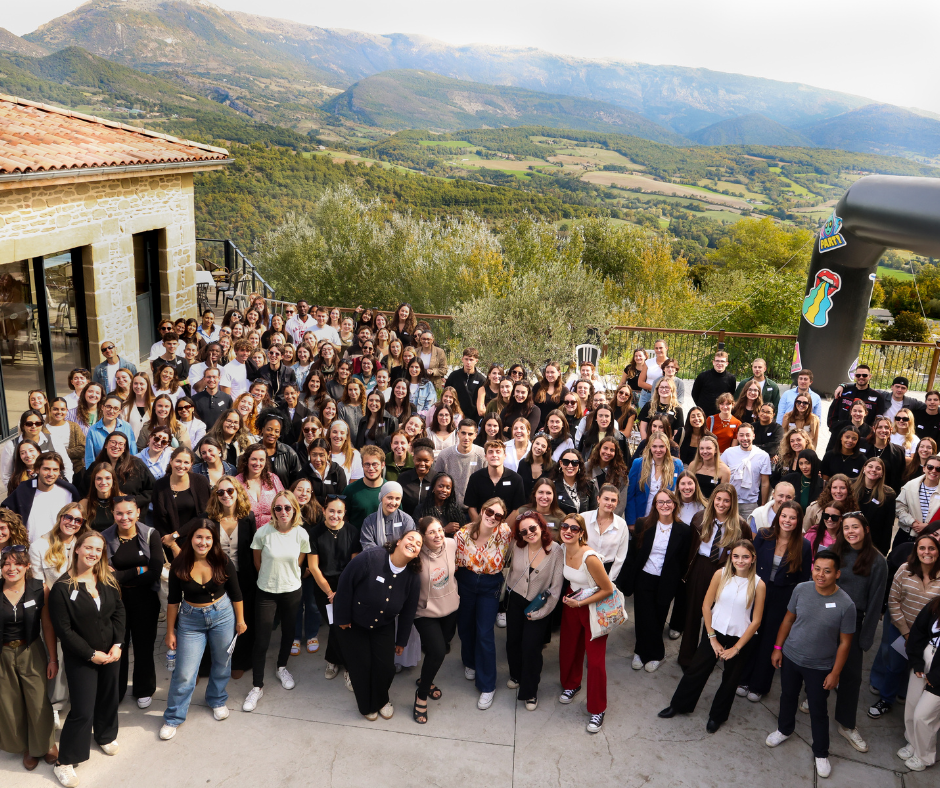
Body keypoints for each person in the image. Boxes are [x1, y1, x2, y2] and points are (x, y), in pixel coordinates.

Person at [765, 550, 857, 780]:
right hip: (791, 656)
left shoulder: (846, 605)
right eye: (817, 569)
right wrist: (777, 648)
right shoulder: (801, 589)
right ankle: (784, 729)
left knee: (818, 708)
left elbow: (845, 643)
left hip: (820, 666)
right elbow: (788, 619)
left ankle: (821, 752)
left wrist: (835, 673)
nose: (820, 575)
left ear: (837, 574)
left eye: (827, 571)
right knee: (788, 696)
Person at [660, 540, 766, 733]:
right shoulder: (720, 574)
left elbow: (756, 621)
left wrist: (736, 648)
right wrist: (712, 638)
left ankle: (717, 716)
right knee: (696, 671)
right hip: (714, 632)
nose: (740, 561)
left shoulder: (759, 584)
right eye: (736, 556)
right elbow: (706, 606)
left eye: (745, 557)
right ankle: (678, 705)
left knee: (730, 680)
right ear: (730, 557)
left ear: (753, 559)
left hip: (740, 639)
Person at [48, 531, 125, 788]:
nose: (93, 553)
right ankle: (65, 762)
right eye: (89, 547)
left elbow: (118, 612)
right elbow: (64, 630)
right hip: (82, 657)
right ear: (77, 549)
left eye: (98, 549)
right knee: (82, 710)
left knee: (109, 697)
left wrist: (118, 644)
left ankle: (105, 735)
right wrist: (91, 654)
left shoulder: (107, 579)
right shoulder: (62, 588)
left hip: (111, 653)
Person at [159, 520, 246, 739]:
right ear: (191, 538)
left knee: (222, 662)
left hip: (223, 615)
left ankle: (216, 699)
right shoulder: (179, 564)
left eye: (208, 538)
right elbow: (172, 601)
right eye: (199, 537)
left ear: (214, 540)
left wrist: (240, 620)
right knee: (185, 672)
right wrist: (170, 631)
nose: (203, 542)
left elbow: (236, 593)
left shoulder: (223, 560)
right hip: (190, 620)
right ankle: (173, 717)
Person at [333, 531, 422, 720]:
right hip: (354, 624)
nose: (413, 543)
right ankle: (367, 706)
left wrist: (402, 640)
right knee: (361, 666)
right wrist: (342, 617)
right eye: (410, 538)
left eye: (418, 544)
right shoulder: (371, 557)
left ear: (417, 554)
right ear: (398, 542)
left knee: (386, 668)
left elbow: (409, 611)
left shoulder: (413, 577)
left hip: (383, 626)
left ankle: (381, 700)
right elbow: (345, 582)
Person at [243, 490, 312, 712]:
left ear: (295, 509)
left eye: (287, 507)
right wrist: (270, 578)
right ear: (273, 510)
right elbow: (257, 562)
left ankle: (281, 667)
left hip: (292, 591)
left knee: (289, 633)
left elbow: (299, 562)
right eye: (278, 508)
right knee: (262, 640)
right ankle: (257, 686)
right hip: (266, 591)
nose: (283, 512)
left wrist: (286, 577)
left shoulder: (301, 534)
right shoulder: (263, 533)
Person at [825, 511, 888, 752]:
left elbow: (876, 602)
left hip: (854, 622)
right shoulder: (835, 552)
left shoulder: (878, 561)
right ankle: (814, 696)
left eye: (855, 527)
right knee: (820, 663)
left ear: (866, 529)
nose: (851, 531)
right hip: (828, 615)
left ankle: (846, 724)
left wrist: (866, 637)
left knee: (851, 676)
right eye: (846, 527)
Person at [738, 501, 812, 703]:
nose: (787, 520)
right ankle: (742, 679)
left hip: (783, 597)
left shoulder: (804, 546)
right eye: (784, 516)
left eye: (792, 517)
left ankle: (759, 685)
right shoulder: (764, 535)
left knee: (770, 640)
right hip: (758, 591)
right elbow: (750, 563)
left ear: (798, 521)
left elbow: (803, 579)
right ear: (778, 517)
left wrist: (796, 606)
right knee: (751, 634)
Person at [868, 533, 940, 721]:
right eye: (922, 548)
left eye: (931, 548)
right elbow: (893, 601)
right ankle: (886, 699)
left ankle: (909, 699)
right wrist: (907, 633)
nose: (926, 552)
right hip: (901, 629)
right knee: (895, 666)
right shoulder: (904, 569)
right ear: (916, 550)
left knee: (919, 670)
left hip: (928, 636)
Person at [1, 542, 58, 771]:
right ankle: (27, 747)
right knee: (11, 703)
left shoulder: (39, 589)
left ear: (27, 566)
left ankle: (47, 743)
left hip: (31, 650)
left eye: (17, 564)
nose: (11, 568)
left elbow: (48, 625)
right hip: (3, 654)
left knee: (38, 700)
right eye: (6, 564)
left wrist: (52, 658)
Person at [557, 511, 616, 733]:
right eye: (565, 526)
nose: (568, 531)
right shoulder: (563, 549)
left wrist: (580, 603)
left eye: (574, 528)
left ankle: (598, 709)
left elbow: (607, 589)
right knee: (569, 647)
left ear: (581, 533)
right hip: (572, 601)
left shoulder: (590, 557)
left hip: (593, 607)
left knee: (595, 661)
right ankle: (572, 684)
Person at [678, 484, 748, 668]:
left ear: (732, 503)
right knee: (693, 613)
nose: (721, 504)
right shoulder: (699, 518)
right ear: (713, 499)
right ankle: (686, 657)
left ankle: (706, 658)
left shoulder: (740, 526)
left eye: (726, 500)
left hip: (723, 572)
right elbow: (690, 546)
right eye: (718, 499)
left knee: (715, 616)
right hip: (700, 567)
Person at [102, 496, 162, 708]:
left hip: (146, 599)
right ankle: (116, 691)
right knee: (118, 645)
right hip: (116, 601)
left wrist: (120, 575)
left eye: (129, 512)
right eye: (119, 513)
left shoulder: (151, 534)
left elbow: (155, 572)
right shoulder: (104, 538)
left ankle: (144, 689)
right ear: (113, 514)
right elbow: (105, 576)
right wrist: (137, 570)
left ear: (138, 513)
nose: (124, 517)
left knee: (144, 645)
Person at [625, 489, 692, 672]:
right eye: (660, 502)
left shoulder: (684, 530)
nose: (665, 505)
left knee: (658, 618)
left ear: (675, 505)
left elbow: (683, 559)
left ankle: (656, 654)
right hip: (644, 577)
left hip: (667, 580)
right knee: (643, 616)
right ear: (655, 505)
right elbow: (634, 552)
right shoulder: (643, 524)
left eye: (669, 502)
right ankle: (639, 651)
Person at [454, 498, 512, 710]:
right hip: (466, 581)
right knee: (465, 626)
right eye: (489, 512)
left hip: (490, 585)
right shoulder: (462, 534)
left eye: (498, 515)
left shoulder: (504, 532)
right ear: (481, 510)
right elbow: (455, 562)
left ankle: (487, 685)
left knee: (485, 633)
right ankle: (470, 661)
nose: (492, 517)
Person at [504, 510, 564, 712]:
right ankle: (516, 675)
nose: (529, 533)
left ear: (541, 526)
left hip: (538, 605)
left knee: (531, 648)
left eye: (532, 528)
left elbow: (555, 588)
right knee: (513, 642)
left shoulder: (555, 550)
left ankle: (530, 691)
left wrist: (541, 613)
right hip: (515, 600)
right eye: (523, 531)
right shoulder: (516, 545)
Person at [205, 476, 256, 678]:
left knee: (243, 617)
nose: (225, 495)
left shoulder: (248, 518)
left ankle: (240, 661)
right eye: (220, 492)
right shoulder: (209, 519)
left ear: (238, 492)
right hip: (217, 577)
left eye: (230, 491)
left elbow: (253, 549)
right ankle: (210, 663)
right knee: (215, 619)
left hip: (244, 576)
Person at [410, 516, 459, 723]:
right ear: (422, 536)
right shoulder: (415, 553)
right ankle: (421, 696)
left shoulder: (452, 544)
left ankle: (426, 678)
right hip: (424, 611)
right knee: (437, 651)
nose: (438, 535)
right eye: (431, 532)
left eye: (439, 530)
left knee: (441, 648)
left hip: (450, 607)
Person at [901, 592, 940, 771]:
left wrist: (936, 677)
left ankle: (924, 755)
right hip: (924, 661)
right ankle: (913, 742)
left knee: (924, 715)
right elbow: (918, 632)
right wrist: (916, 661)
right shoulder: (934, 605)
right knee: (912, 704)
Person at [3, 452, 79, 543]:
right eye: (46, 469)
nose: (51, 474)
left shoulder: (69, 493)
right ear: (37, 470)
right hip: (29, 546)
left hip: (60, 546)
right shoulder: (23, 490)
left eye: (55, 469)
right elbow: (7, 516)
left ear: (59, 472)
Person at [153, 447, 211, 552]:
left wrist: (176, 535)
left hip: (197, 542)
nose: (182, 466)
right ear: (171, 461)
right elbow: (158, 519)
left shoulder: (200, 482)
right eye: (178, 461)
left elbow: (204, 515)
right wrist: (172, 545)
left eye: (186, 462)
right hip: (168, 543)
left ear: (191, 464)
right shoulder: (160, 485)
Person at [625, 435, 683, 526]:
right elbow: (630, 494)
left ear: (667, 447)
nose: (658, 450)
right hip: (642, 519)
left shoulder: (676, 464)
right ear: (649, 447)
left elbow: (680, 494)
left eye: (661, 446)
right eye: (654, 446)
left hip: (666, 519)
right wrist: (631, 521)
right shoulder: (638, 463)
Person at [464, 441, 526, 522]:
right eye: (490, 452)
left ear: (505, 456)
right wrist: (480, 527)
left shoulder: (516, 479)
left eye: (498, 452)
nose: (494, 455)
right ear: (486, 456)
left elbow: (517, 509)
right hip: (480, 525)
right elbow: (472, 507)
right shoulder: (475, 478)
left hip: (506, 526)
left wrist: (503, 528)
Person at [721, 423, 771, 520]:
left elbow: (765, 483)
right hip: (729, 500)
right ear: (737, 437)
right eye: (741, 435)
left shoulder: (763, 455)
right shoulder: (728, 453)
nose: (745, 438)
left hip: (750, 503)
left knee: (748, 528)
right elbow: (719, 474)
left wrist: (763, 504)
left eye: (748, 435)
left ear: (753, 436)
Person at [583, 484, 629, 586]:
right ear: (598, 499)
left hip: (607, 571)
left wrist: (609, 581)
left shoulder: (621, 524)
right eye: (606, 499)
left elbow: (620, 557)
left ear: (617, 503)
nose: (609, 503)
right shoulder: (584, 518)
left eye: (613, 500)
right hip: (583, 568)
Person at [852, 457, 898, 555]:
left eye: (878, 468)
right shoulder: (850, 486)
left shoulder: (888, 494)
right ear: (864, 468)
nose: (873, 470)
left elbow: (888, 525)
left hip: (873, 543)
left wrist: (883, 551)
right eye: (870, 466)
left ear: (882, 473)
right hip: (849, 539)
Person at [896, 455, 940, 552]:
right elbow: (899, 508)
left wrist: (928, 527)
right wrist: (912, 522)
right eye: (930, 467)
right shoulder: (910, 486)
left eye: (938, 469)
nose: (933, 471)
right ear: (924, 468)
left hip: (934, 538)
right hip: (907, 534)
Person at [236, 444, 284, 530]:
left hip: (272, 531)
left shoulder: (273, 479)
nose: (258, 463)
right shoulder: (237, 482)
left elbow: (284, 502)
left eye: (261, 460)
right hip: (246, 532)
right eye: (254, 459)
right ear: (247, 460)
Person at [344, 445, 386, 531]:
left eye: (375, 464)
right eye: (367, 464)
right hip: (356, 538)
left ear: (382, 465)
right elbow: (344, 519)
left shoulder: (390, 489)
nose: (371, 468)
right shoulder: (350, 490)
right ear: (362, 465)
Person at [45, 398, 85, 483]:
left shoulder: (74, 427)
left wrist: (62, 453)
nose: (59, 412)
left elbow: (83, 449)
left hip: (77, 471)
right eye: (55, 409)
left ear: (67, 410)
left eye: (62, 409)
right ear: (50, 410)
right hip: (52, 473)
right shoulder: (44, 430)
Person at [865, 415, 907, 493]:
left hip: (885, 493)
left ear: (891, 430)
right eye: (880, 427)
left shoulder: (898, 451)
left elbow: (899, 478)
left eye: (887, 427)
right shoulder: (863, 445)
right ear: (874, 429)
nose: (883, 430)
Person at [444, 348, 487, 422]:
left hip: (473, 419)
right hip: (454, 417)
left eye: (471, 360)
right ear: (462, 359)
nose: (468, 362)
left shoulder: (481, 380)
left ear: (476, 361)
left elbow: (482, 402)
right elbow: (446, 394)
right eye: (466, 359)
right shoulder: (454, 376)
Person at [692, 351, 736, 418]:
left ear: (727, 363)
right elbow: (695, 393)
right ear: (713, 362)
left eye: (722, 361)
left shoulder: (731, 379)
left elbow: (730, 396)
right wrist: (701, 406)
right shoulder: (703, 376)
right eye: (717, 361)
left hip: (721, 414)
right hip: (704, 414)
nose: (719, 363)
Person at [688, 434, 730, 500]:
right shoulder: (693, 465)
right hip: (694, 502)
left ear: (716, 450)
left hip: (712, 504)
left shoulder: (724, 470)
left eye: (708, 448)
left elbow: (723, 495)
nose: (705, 451)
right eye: (702, 448)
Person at [636, 339, 669, 410]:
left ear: (666, 348)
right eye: (656, 348)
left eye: (661, 348)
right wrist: (655, 388)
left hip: (661, 397)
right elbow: (640, 382)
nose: (658, 350)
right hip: (646, 395)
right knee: (642, 416)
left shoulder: (670, 364)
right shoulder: (648, 362)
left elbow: (671, 382)